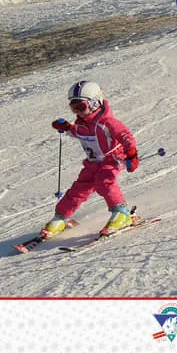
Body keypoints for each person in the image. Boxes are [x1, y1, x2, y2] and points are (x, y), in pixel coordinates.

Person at [41, 81, 140, 239]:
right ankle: (61, 217)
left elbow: (126, 136)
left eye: (81, 107)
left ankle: (122, 213)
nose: (78, 112)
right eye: (74, 108)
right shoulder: (82, 124)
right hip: (93, 163)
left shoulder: (108, 122)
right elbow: (79, 133)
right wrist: (67, 127)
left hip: (112, 159)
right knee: (78, 189)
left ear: (95, 103)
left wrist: (132, 154)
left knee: (104, 181)